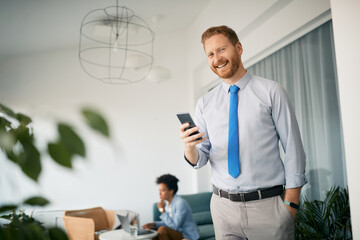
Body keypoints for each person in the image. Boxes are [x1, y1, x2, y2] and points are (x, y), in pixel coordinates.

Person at [180, 25, 307, 240]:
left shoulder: (271, 91)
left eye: (221, 50)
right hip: (223, 209)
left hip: (268, 208)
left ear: (238, 48)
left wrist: (290, 205)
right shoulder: (204, 103)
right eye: (210, 54)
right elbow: (200, 159)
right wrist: (189, 147)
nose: (216, 59)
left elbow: (294, 148)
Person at [142, 174, 200, 240]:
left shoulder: (180, 203)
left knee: (162, 230)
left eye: (163, 190)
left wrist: (162, 210)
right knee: (154, 236)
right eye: (159, 190)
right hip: (177, 232)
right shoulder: (167, 202)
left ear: (171, 191)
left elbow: (175, 226)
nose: (159, 193)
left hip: (187, 235)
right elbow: (170, 222)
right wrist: (154, 224)